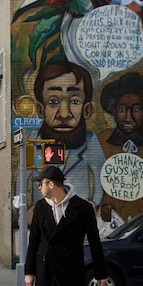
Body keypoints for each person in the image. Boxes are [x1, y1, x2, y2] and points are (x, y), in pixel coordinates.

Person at [34, 60, 105, 207]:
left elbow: (101, 176)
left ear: (87, 110)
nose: (64, 114)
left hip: (76, 213)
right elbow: (23, 178)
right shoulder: (34, 140)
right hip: (45, 212)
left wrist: (94, 203)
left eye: (75, 101)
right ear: (41, 109)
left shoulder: (90, 140)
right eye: (53, 101)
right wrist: (24, 211)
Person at [99, 72, 143, 219]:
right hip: (113, 211)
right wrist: (104, 204)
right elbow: (98, 176)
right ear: (114, 111)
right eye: (122, 110)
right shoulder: (104, 139)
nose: (128, 117)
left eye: (136, 110)